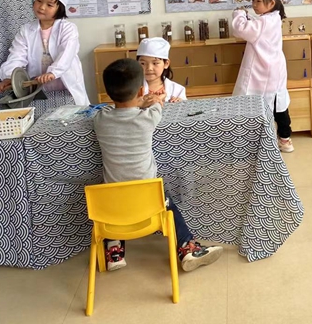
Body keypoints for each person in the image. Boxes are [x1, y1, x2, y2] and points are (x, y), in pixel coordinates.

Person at [94, 59, 223, 272]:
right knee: (168, 202)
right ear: (141, 90)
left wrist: (136, 102)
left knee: (114, 200)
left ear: (108, 92)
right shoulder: (148, 117)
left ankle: (114, 251)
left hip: (110, 203)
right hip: (149, 200)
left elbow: (106, 110)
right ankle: (187, 247)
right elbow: (157, 105)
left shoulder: (101, 120)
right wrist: (152, 99)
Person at [0, 0, 89, 105]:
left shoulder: (68, 29)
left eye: (49, 5)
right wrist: (10, 77)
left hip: (66, 85)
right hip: (40, 88)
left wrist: (53, 72)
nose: (42, 7)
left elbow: (66, 54)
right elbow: (17, 55)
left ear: (59, 9)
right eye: (39, 1)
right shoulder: (26, 30)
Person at [232, 0, 293, 153]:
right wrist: (249, 16)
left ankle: (261, 142)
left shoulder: (264, 22)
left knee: (258, 106)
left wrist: (239, 13)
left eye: (258, 1)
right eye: (252, 0)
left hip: (262, 71)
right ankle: (285, 139)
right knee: (279, 106)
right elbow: (256, 27)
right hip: (274, 69)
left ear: (271, 3)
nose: (254, 5)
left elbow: (240, 29)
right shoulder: (273, 18)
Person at [137, 37, 186, 103]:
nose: (149, 68)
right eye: (143, 63)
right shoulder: (132, 89)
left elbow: (185, 108)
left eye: (155, 63)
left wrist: (179, 103)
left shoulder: (177, 90)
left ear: (166, 64)